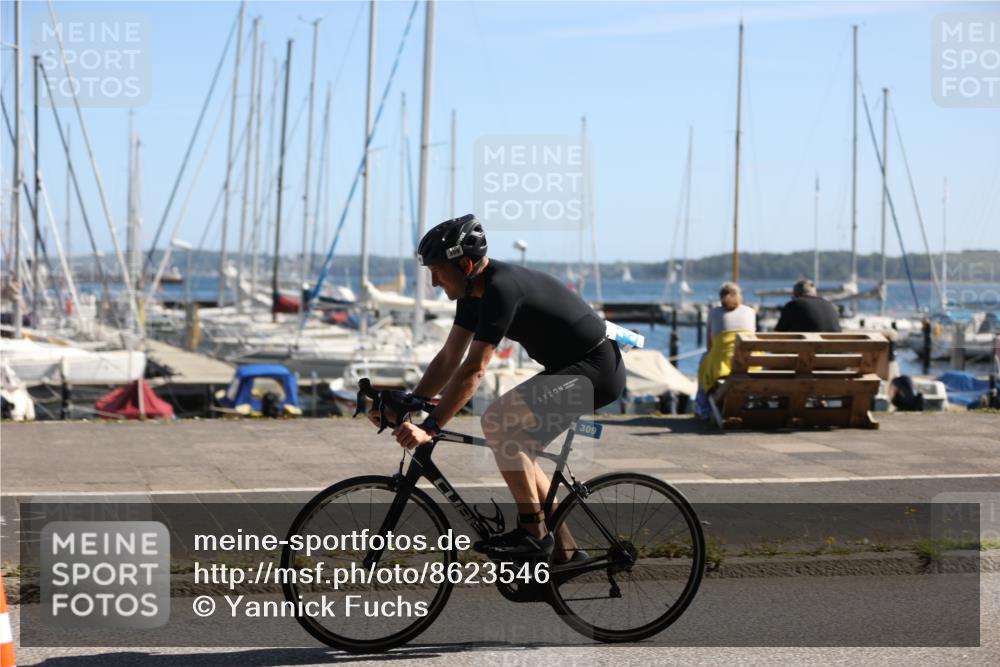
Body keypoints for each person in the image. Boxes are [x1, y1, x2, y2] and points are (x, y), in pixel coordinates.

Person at [371, 214, 626, 560]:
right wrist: (409, 402)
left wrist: (431, 428)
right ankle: (566, 552)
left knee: (498, 420)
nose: (433, 282)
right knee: (517, 448)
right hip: (571, 367)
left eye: (437, 271)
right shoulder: (471, 294)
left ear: (465, 263)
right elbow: (449, 358)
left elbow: (474, 371)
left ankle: (533, 534)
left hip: (596, 369)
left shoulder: (501, 289)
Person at [695, 282, 756, 417]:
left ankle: (703, 409)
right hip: (750, 366)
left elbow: (709, 347)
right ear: (739, 296)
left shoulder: (714, 313)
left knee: (703, 362)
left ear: (721, 297)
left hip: (723, 367)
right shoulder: (750, 312)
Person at [775, 279, 841, 332]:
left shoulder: (794, 304)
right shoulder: (830, 305)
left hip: (807, 348)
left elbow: (779, 332)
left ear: (795, 295)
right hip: (834, 348)